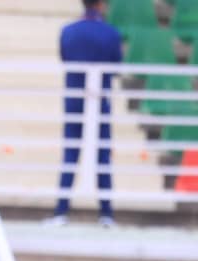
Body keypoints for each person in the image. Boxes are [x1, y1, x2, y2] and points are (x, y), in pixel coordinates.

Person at [45, 0, 122, 227]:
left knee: (70, 153)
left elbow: (65, 59)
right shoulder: (111, 33)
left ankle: (61, 211)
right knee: (102, 155)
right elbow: (116, 66)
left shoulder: (68, 32)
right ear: (101, 5)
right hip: (100, 99)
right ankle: (106, 213)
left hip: (74, 99)